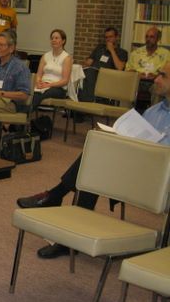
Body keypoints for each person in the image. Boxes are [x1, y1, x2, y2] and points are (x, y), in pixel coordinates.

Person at [18, 61, 170, 259]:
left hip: (161, 181)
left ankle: (55, 196)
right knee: (95, 156)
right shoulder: (153, 111)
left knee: (96, 165)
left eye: (163, 76)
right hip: (136, 168)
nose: (156, 79)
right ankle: (70, 237)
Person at [78, 27, 128, 103]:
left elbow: (120, 67)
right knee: (85, 72)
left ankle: (87, 102)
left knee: (90, 74)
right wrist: (80, 67)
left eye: (110, 37)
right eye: (106, 37)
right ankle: (82, 102)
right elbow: (88, 63)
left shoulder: (122, 52)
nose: (108, 39)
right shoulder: (99, 48)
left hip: (108, 77)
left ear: (116, 37)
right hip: (93, 73)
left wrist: (112, 50)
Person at [125, 26, 170, 103]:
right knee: (127, 86)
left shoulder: (165, 54)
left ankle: (154, 110)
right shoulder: (136, 53)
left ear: (158, 39)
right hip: (137, 81)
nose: (148, 39)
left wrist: (156, 76)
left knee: (158, 88)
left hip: (154, 82)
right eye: (146, 37)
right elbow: (127, 70)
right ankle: (126, 110)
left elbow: (168, 73)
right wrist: (138, 74)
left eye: (151, 37)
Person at [32, 29, 73, 111]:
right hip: (43, 85)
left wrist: (49, 85)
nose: (53, 40)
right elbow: (39, 74)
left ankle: (26, 111)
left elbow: (65, 81)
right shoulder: (45, 56)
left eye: (56, 38)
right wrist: (38, 82)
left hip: (58, 88)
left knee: (41, 94)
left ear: (63, 41)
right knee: (29, 91)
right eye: (52, 38)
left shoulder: (67, 58)